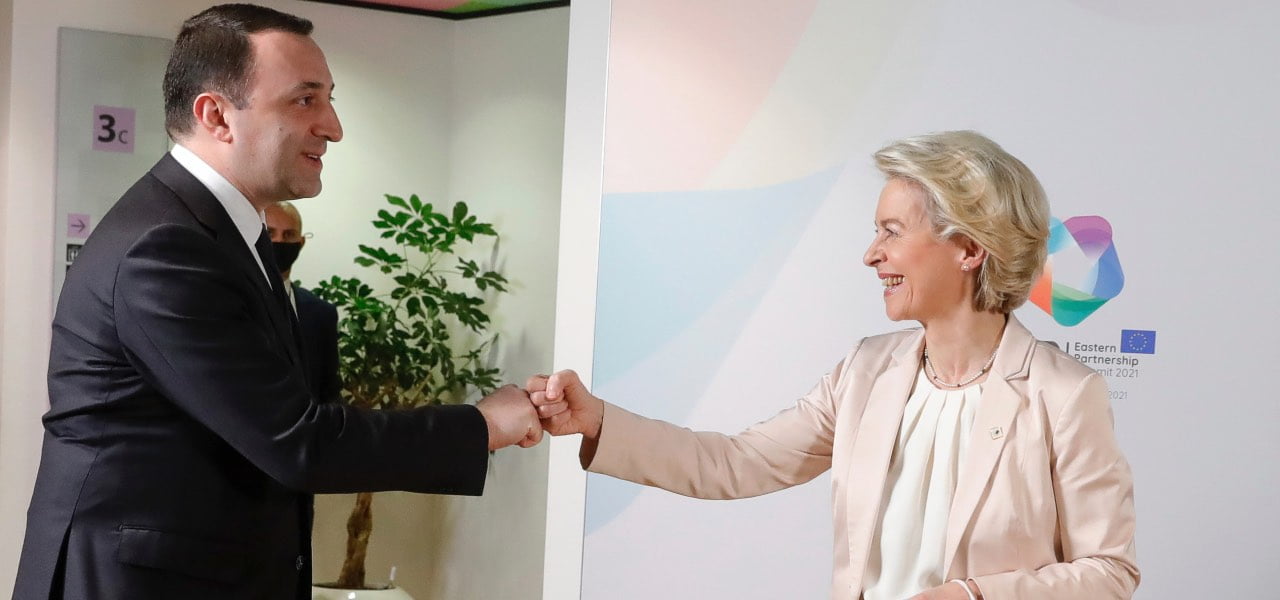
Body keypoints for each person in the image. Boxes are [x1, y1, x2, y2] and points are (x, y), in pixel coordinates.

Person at [15, 5, 541, 599]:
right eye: (304, 100)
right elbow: (298, 441)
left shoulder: (223, 235)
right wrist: (483, 424)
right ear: (216, 115)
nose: (333, 127)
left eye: (329, 100)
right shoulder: (164, 247)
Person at [530, 131, 1140, 599]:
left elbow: (1110, 571)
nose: (871, 254)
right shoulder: (865, 372)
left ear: (969, 248)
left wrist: (975, 596)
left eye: (891, 231)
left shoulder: (1063, 393)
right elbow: (735, 462)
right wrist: (597, 420)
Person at [265, 200, 340, 401]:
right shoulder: (228, 301)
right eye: (269, 233)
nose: (279, 241)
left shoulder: (321, 313)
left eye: (289, 235)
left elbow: (329, 391)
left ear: (301, 242)